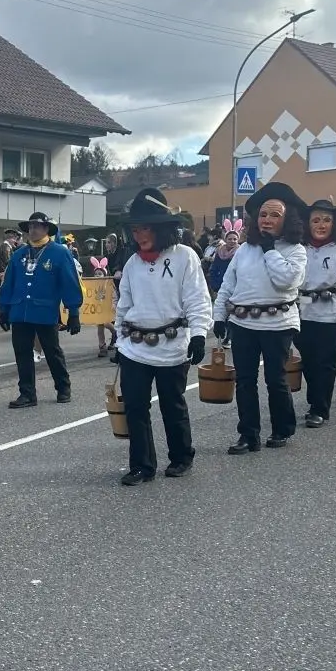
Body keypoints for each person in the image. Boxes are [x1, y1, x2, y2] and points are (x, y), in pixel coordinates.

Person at [113, 191, 212, 484]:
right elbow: (124, 305)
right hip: (135, 347)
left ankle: (181, 457)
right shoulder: (132, 263)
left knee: (172, 403)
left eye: (145, 228)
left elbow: (197, 299)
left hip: (172, 344)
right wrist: (119, 340)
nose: (139, 234)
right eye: (135, 229)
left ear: (160, 228)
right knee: (135, 406)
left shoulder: (185, 257)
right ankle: (142, 465)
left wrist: (198, 335)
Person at [213, 182, 307, 454]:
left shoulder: (295, 250)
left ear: (287, 219)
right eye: (264, 214)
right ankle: (248, 435)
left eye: (275, 214)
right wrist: (219, 316)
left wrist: (269, 250)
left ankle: (281, 428)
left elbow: (286, 281)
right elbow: (228, 286)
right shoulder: (243, 250)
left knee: (275, 378)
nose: (267, 219)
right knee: (244, 380)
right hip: (243, 323)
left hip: (278, 324)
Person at [0, 212, 83, 408]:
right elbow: (8, 284)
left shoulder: (60, 253)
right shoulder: (19, 254)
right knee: (22, 353)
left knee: (52, 351)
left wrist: (74, 313)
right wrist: (4, 309)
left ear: (46, 229)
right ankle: (27, 394)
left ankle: (63, 387)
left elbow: (69, 283)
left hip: (45, 311)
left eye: (37, 226)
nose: (33, 230)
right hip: (20, 311)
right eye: (30, 226)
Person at [298, 199, 336, 428]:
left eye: (326, 220)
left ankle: (320, 408)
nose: (321, 225)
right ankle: (314, 398)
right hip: (303, 314)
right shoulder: (298, 249)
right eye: (316, 220)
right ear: (307, 223)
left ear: (335, 224)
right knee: (308, 362)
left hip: (330, 315)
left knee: (326, 363)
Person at [207, 227, 240, 297]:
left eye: (235, 239)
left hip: (236, 288)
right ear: (225, 240)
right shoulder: (219, 251)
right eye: (230, 239)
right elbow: (213, 269)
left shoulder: (240, 252)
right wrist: (215, 285)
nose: (232, 241)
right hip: (220, 286)